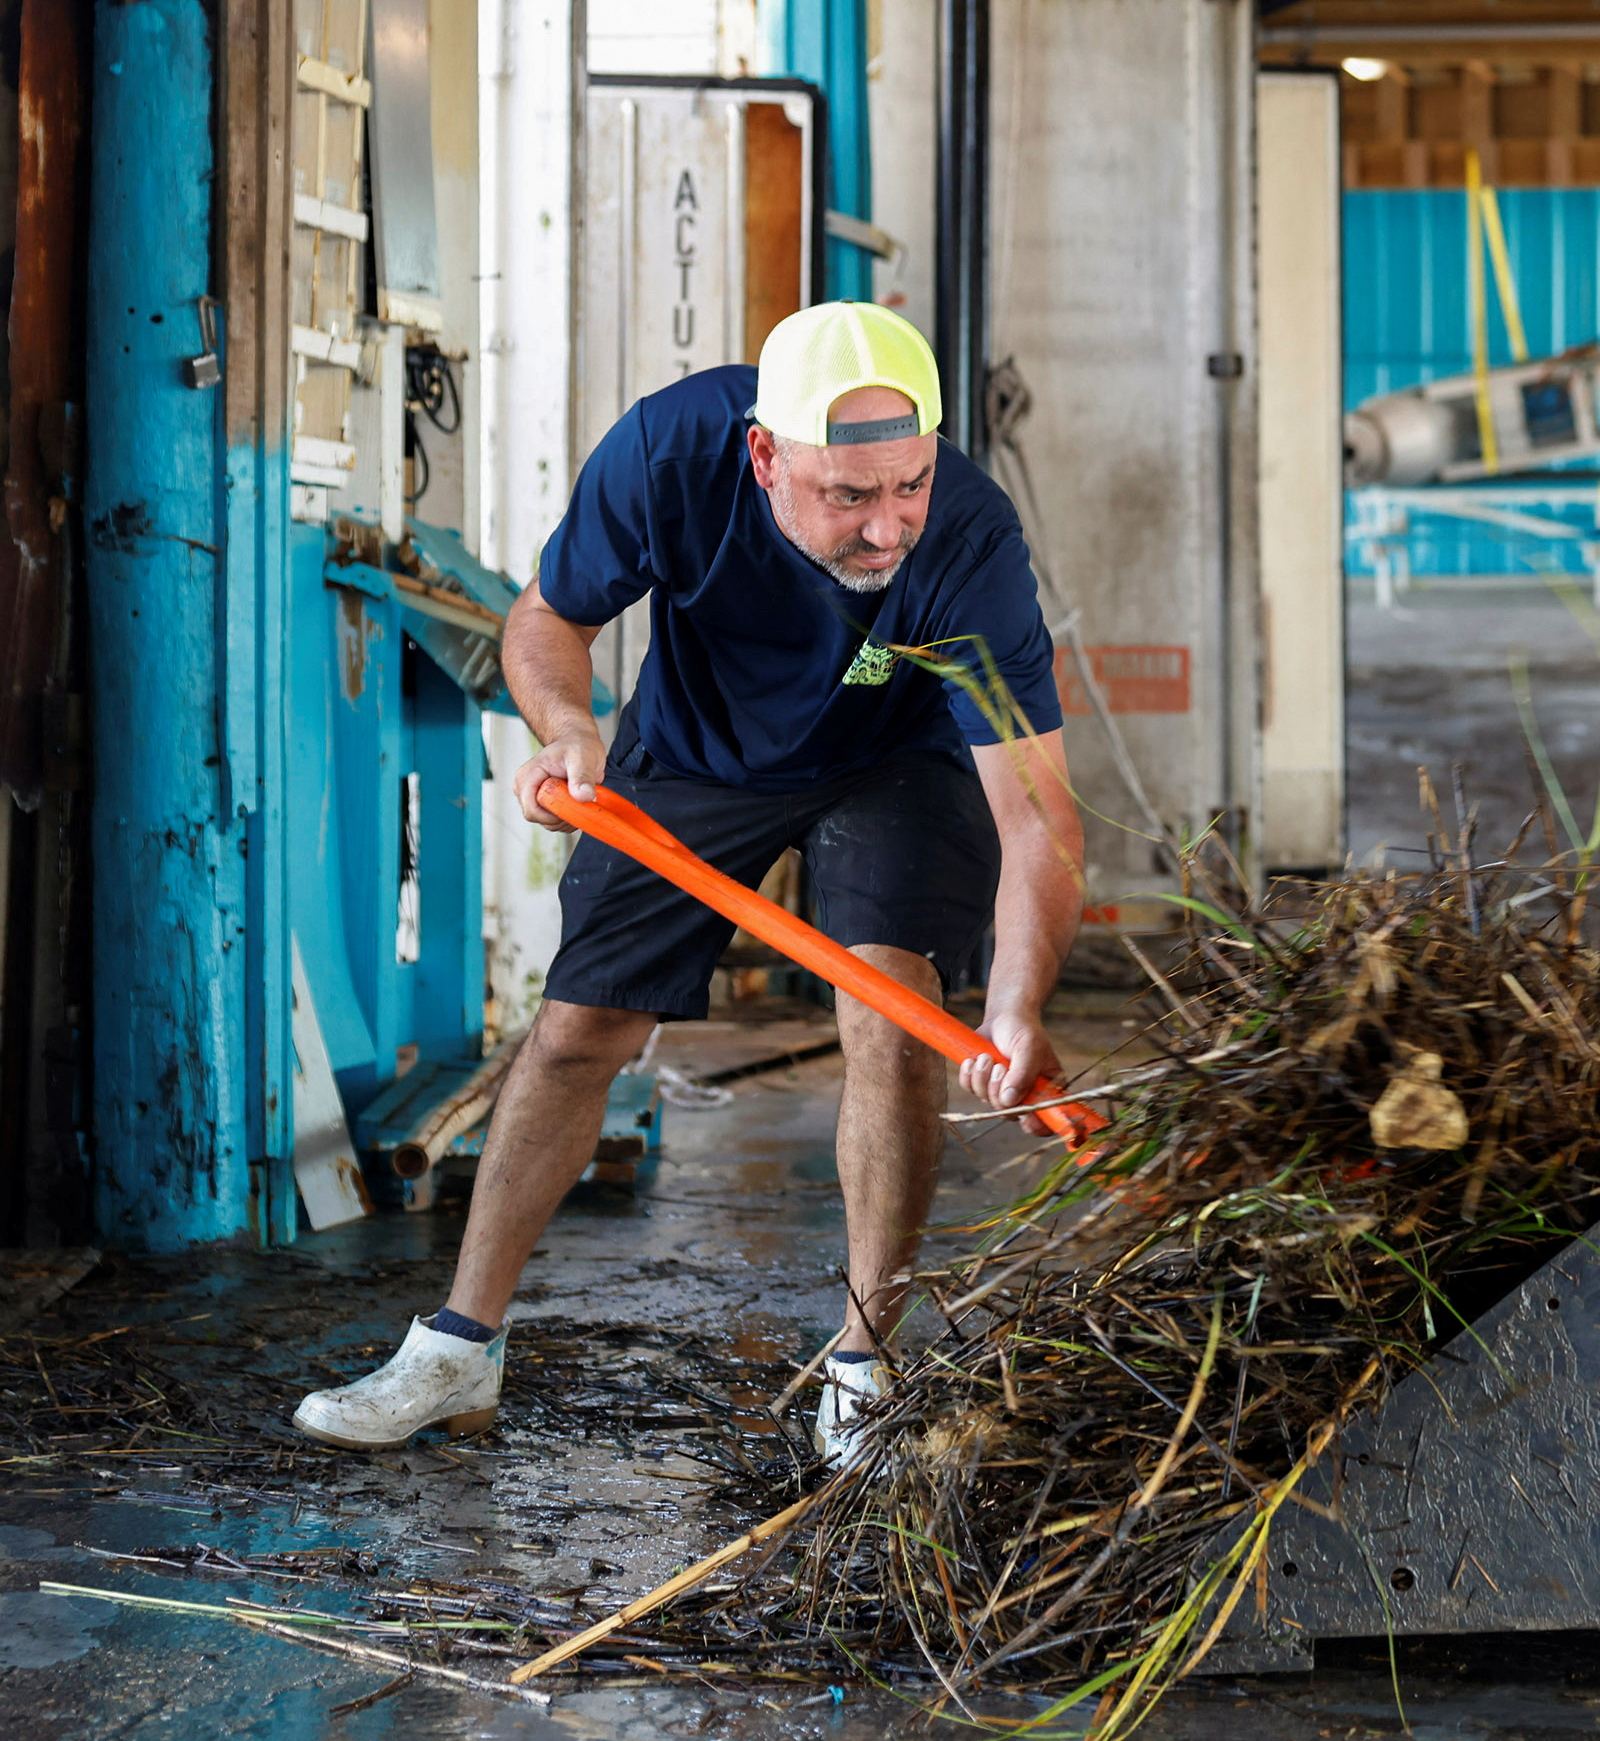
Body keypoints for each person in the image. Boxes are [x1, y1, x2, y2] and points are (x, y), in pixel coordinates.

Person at [293, 302, 1081, 1466]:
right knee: (575, 1031)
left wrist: (1015, 999)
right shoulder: (671, 451)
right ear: (763, 455)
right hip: (697, 750)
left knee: (886, 1005)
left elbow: (1037, 817)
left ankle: (863, 1369)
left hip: (897, 755)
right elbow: (548, 614)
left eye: (906, 484)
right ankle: (456, 1351)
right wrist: (566, 726)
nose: (885, 528)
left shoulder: (964, 545)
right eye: (848, 496)